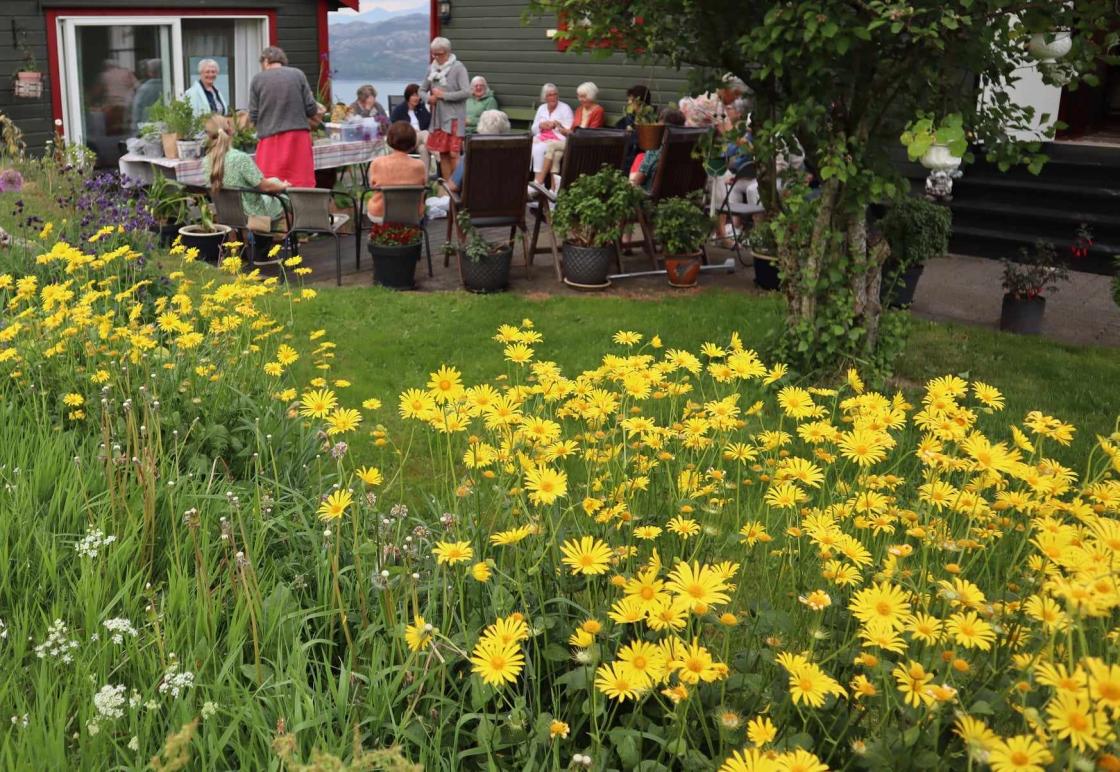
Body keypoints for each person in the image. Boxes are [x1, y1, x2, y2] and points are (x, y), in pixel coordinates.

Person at [248, 46, 320, 188]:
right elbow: (311, 109)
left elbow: (254, 115)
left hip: (270, 140)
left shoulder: (257, 79)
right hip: (298, 139)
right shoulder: (298, 75)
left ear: (266, 61)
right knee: (301, 184)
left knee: (270, 185)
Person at [202, 114, 289, 226]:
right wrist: (283, 186)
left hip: (227, 214)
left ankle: (268, 234)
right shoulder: (240, 158)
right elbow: (265, 187)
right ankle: (286, 233)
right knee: (285, 198)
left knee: (274, 182)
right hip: (252, 217)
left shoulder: (206, 161)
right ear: (230, 129)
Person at [531, 81, 604, 191]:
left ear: (591, 96)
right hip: (572, 140)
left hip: (583, 143)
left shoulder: (598, 110)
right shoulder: (580, 109)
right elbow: (572, 129)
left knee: (550, 146)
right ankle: (553, 190)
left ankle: (539, 181)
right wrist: (559, 127)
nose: (580, 99)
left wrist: (566, 132)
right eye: (579, 96)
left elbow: (591, 132)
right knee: (556, 155)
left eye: (583, 96)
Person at [420, 37, 470, 181]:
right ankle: (447, 188)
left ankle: (458, 187)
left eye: (439, 54)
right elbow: (421, 90)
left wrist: (443, 95)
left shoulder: (458, 68)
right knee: (442, 153)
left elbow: (466, 92)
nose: (436, 57)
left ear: (448, 52)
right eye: (434, 54)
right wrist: (428, 98)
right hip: (438, 119)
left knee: (454, 154)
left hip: (454, 118)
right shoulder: (432, 69)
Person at [366, 121, 428, 221]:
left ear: (389, 139)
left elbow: (372, 186)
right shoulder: (419, 165)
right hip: (412, 212)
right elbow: (423, 186)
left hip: (380, 212)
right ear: (413, 142)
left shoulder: (377, 163)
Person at [444, 109, 510, 194]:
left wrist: (444, 184)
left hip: (475, 201)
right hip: (508, 201)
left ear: (481, 126)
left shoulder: (473, 153)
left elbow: (453, 187)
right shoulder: (515, 154)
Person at [629, 107, 685, 192]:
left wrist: (628, 184)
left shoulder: (656, 147)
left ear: (662, 124)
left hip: (648, 194)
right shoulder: (685, 149)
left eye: (658, 121)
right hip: (677, 194)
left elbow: (639, 179)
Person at [529, 83, 573, 190]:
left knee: (538, 148)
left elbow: (569, 130)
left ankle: (538, 182)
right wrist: (541, 125)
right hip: (541, 137)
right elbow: (534, 129)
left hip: (557, 140)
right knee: (529, 145)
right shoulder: (541, 108)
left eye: (555, 94)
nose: (553, 97)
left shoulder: (565, 108)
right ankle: (533, 181)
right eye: (550, 95)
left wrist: (556, 126)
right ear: (545, 97)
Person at [390, 83, 432, 172]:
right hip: (405, 141)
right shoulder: (399, 110)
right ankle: (439, 155)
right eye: (414, 95)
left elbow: (429, 124)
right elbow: (394, 129)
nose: (416, 98)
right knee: (424, 133)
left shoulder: (421, 109)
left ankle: (423, 178)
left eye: (418, 95)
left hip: (418, 142)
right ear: (408, 96)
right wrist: (411, 131)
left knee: (424, 149)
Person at [615, 84, 652, 171]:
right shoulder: (627, 119)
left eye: (631, 100)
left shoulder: (650, 121)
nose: (628, 103)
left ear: (640, 102)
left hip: (638, 161)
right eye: (628, 100)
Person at [131, 59, 163, 131]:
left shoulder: (143, 90)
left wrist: (135, 131)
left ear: (149, 73)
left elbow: (137, 112)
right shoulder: (170, 87)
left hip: (146, 130)